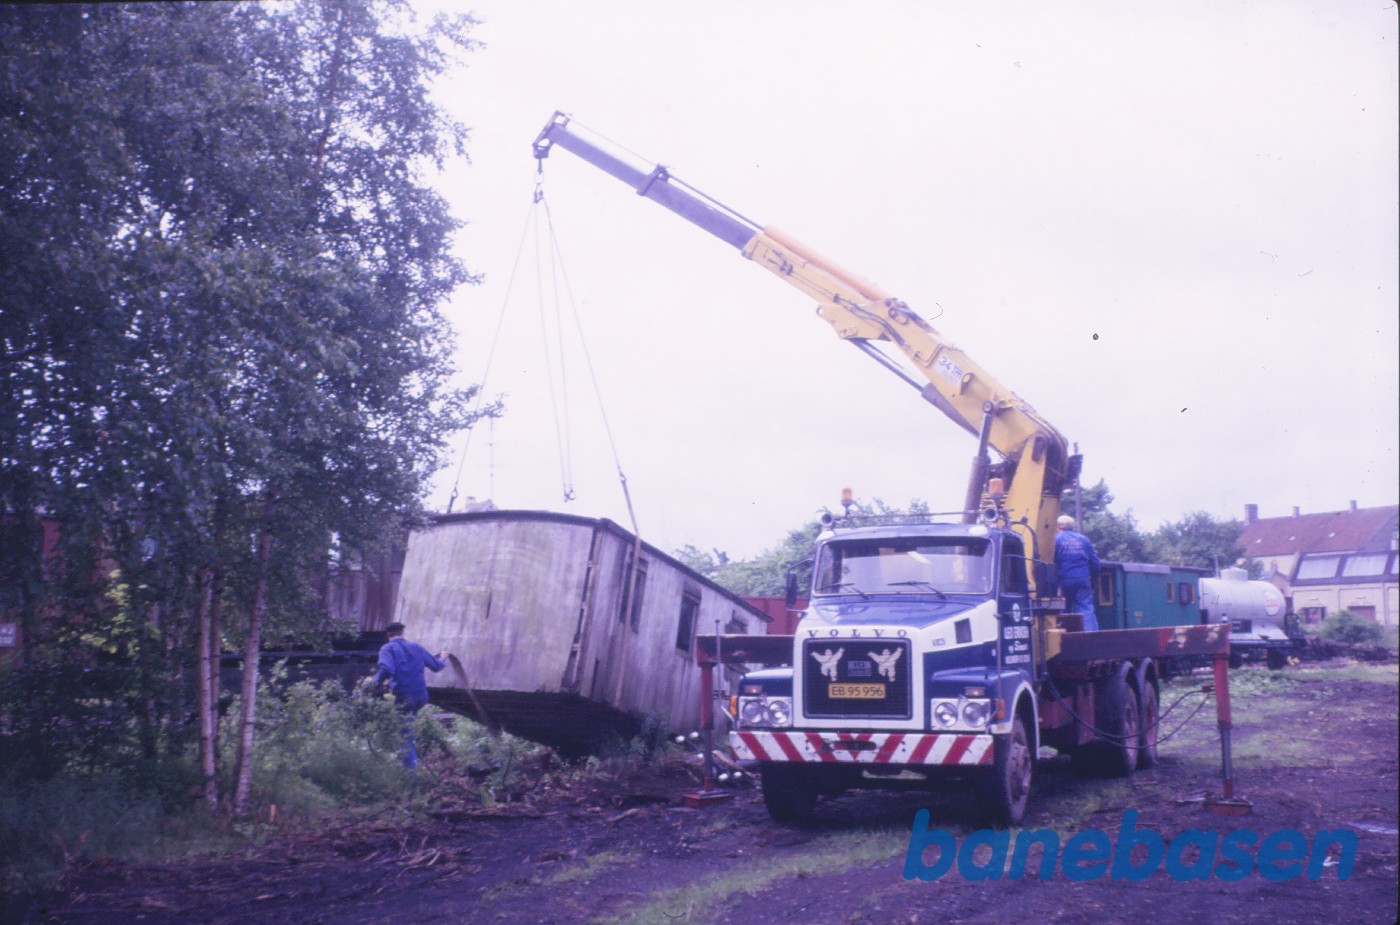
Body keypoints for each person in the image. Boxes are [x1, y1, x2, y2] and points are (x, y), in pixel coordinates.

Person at [371, 622, 447, 769]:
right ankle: (411, 763)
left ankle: (412, 776)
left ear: (388, 635)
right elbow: (436, 666)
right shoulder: (416, 647)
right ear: (403, 633)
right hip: (421, 697)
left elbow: (387, 668)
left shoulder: (387, 649)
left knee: (404, 737)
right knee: (407, 730)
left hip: (404, 697)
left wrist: (373, 683)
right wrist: (443, 658)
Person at [1054, 515, 1101, 632]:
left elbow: (1049, 561)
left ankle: (1064, 638)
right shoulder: (1084, 540)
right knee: (1086, 608)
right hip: (1082, 579)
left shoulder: (1056, 540)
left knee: (1063, 609)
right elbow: (1095, 562)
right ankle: (1090, 637)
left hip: (1063, 580)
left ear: (1058, 527)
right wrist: (1094, 580)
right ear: (1072, 526)